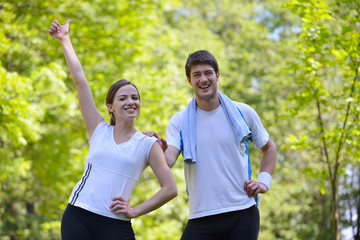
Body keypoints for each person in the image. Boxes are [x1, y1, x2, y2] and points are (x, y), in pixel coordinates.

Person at [48, 20, 177, 240]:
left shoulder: (147, 144)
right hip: (78, 214)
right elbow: (80, 81)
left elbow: (170, 189)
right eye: (123, 98)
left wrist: (135, 210)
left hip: (115, 224)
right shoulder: (99, 129)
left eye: (135, 98)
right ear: (110, 106)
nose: (131, 102)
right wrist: (65, 39)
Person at [144, 50, 276, 240]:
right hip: (201, 216)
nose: (203, 79)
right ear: (189, 80)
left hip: (242, 211)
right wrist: (154, 147)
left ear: (217, 76)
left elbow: (268, 148)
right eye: (196, 75)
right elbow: (169, 160)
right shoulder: (179, 121)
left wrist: (264, 181)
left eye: (208, 73)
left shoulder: (243, 112)